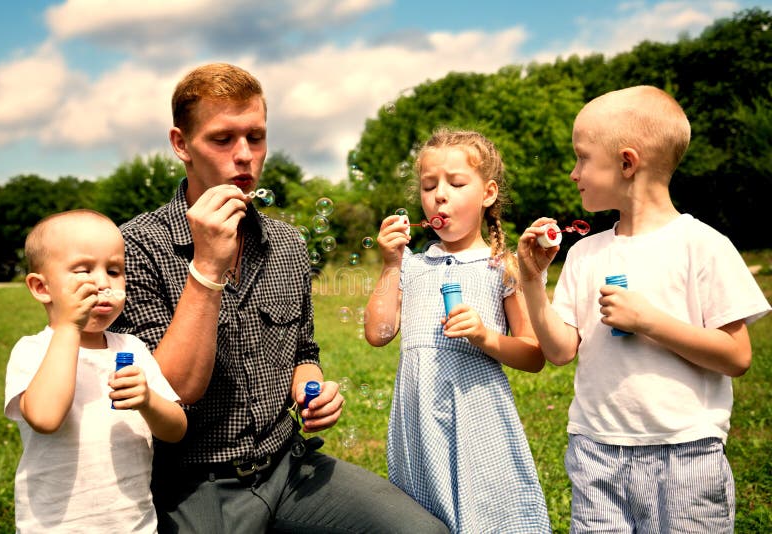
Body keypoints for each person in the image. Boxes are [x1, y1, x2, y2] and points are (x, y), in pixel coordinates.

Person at [110, 62, 449, 533]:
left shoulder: (287, 245)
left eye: (256, 136)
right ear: (181, 144)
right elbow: (173, 391)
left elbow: (303, 355)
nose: (245, 155)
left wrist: (312, 391)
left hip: (289, 468)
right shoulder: (135, 247)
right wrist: (207, 267)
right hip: (193, 482)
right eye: (222, 139)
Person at [517, 85, 772, 533]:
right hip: (596, 451)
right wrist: (532, 280)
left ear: (626, 163)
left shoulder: (703, 246)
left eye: (582, 158)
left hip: (685, 455)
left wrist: (649, 321)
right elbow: (559, 351)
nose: (574, 173)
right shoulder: (585, 254)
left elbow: (736, 356)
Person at [365, 128, 552, 533]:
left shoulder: (501, 267)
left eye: (456, 183)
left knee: (487, 513)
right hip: (418, 421)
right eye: (429, 186)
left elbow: (534, 354)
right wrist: (390, 264)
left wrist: (486, 337)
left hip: (476, 420)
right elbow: (378, 333)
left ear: (487, 193)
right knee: (422, 518)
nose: (439, 195)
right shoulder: (412, 267)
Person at [4, 209, 187, 532]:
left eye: (114, 271)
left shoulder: (132, 348)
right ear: (41, 288)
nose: (102, 283)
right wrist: (68, 328)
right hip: (54, 525)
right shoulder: (33, 350)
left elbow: (175, 430)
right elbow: (45, 418)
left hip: (133, 524)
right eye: (83, 270)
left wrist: (148, 400)